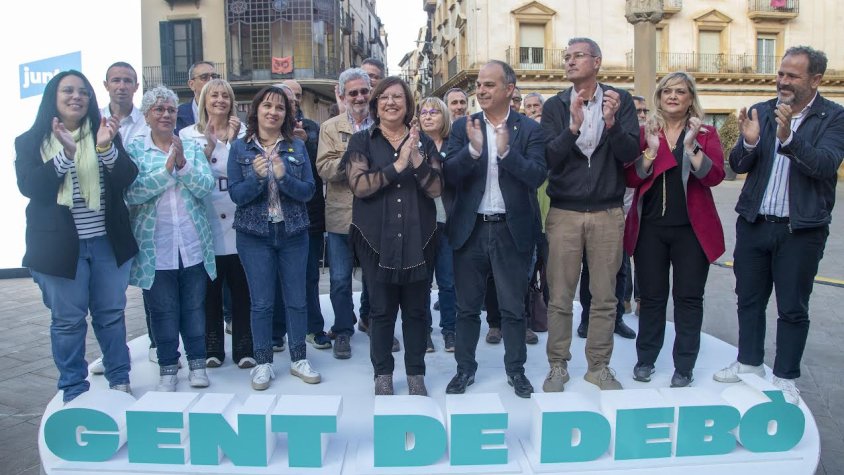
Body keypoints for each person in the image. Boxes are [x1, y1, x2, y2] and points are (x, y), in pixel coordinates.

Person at [714, 46, 844, 405]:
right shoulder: (762, 110)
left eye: (792, 76)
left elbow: (824, 165)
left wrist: (788, 139)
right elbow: (737, 165)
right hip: (755, 223)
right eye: (781, 73)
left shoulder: (834, 117)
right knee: (748, 299)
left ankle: (786, 376)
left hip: (800, 231)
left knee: (792, 307)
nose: (782, 81)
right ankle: (749, 362)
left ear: (815, 79)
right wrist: (749, 141)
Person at [15, 70, 137, 402]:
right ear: (53, 98)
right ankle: (74, 388)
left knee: (111, 315)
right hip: (58, 248)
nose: (76, 96)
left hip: (106, 244)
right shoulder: (30, 141)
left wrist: (105, 147)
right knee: (68, 321)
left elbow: (127, 177)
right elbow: (31, 187)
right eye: (68, 90)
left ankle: (119, 379)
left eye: (83, 91)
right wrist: (65, 155)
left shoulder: (103, 132)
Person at [541, 37, 639, 392]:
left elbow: (630, 153)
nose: (569, 61)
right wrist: (572, 128)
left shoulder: (620, 100)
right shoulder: (555, 105)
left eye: (577, 56)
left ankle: (598, 367)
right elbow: (549, 157)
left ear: (597, 61)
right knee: (559, 296)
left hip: (607, 212)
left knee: (605, 297)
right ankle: (557, 365)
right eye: (566, 56)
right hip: (565, 212)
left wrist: (611, 123)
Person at [444, 60, 547, 399]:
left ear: (509, 89)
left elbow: (537, 176)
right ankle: (464, 369)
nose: (481, 90)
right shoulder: (463, 127)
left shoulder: (529, 129)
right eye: (479, 85)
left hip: (511, 230)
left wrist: (506, 153)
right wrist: (474, 150)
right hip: (470, 229)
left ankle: (516, 371)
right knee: (467, 308)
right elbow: (449, 174)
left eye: (489, 84)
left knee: (513, 308)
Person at [625, 72, 726, 388]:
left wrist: (691, 146)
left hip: (691, 232)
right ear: (659, 97)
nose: (672, 96)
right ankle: (645, 360)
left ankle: (684, 366)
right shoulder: (646, 132)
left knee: (689, 299)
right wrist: (651, 152)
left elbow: (714, 177)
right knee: (651, 298)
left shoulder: (705, 133)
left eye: (680, 91)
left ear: (690, 98)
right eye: (666, 91)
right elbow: (631, 178)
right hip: (650, 230)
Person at [346, 77, 443, 395]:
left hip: (419, 238)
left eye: (398, 97)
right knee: (381, 310)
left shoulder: (424, 142)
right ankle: (383, 374)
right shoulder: (361, 141)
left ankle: (416, 373)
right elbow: (359, 185)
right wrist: (398, 165)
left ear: (408, 104)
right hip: (376, 240)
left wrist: (415, 160)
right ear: (375, 104)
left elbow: (436, 188)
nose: (391, 102)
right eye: (384, 97)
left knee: (417, 310)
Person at [228, 86, 321, 391]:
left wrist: (284, 177)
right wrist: (257, 178)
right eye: (267, 106)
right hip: (254, 236)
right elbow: (236, 195)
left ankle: (299, 358)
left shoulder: (296, 146)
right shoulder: (240, 148)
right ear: (256, 110)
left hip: (293, 233)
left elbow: (308, 191)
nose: (273, 112)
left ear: (286, 114)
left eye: (280, 108)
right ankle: (263, 361)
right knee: (262, 303)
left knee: (297, 300)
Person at [125, 86, 216, 392]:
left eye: (171, 110)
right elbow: (132, 193)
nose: (166, 115)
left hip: (192, 245)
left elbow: (205, 187)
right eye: (159, 110)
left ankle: (198, 365)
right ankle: (167, 368)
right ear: (147, 116)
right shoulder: (135, 150)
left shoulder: (189, 146)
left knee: (194, 310)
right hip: (156, 249)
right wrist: (166, 172)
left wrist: (183, 165)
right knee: (163, 313)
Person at [179, 78, 255, 370]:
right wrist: (210, 148)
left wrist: (232, 143)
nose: (220, 100)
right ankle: (212, 347)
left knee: (242, 290)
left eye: (225, 95)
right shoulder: (188, 134)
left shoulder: (245, 134)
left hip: (239, 221)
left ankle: (244, 347)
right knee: (209, 292)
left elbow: (247, 172)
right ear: (203, 100)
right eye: (214, 95)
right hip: (205, 221)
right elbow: (190, 174)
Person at [88, 61, 149, 376]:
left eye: (127, 80)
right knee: (109, 297)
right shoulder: (92, 121)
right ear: (106, 85)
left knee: (152, 284)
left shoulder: (148, 122)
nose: (122, 86)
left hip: (146, 213)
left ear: (136, 86)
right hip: (110, 217)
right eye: (116, 80)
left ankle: (158, 345)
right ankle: (112, 352)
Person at [316, 68, 379, 359]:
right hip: (340, 215)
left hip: (376, 213)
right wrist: (355, 158)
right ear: (342, 95)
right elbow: (324, 169)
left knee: (375, 277)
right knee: (340, 279)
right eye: (353, 92)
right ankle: (343, 329)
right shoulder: (330, 127)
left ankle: (371, 320)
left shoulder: (382, 123)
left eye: (364, 91)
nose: (359, 97)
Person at [281, 80, 331, 350]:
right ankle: (277, 331)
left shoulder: (312, 129)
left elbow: (321, 170)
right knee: (276, 278)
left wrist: (306, 144)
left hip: (309, 215)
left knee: (310, 276)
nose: (293, 102)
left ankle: (314, 327)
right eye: (286, 98)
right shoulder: (264, 131)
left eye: (297, 97)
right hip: (275, 217)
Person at [418, 97, 455, 352]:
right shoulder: (414, 143)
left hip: (449, 221)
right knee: (421, 283)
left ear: (444, 116)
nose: (428, 116)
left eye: (434, 112)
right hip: (421, 223)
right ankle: (424, 332)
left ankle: (450, 330)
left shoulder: (455, 144)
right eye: (423, 112)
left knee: (448, 281)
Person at [176, 61, 220, 134]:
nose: (211, 81)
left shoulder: (226, 112)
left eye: (214, 77)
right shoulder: (178, 115)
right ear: (191, 85)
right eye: (204, 77)